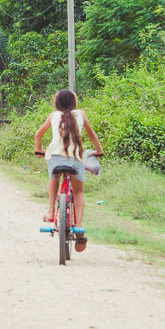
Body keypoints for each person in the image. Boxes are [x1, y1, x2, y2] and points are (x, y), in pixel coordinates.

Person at [34, 89, 103, 252]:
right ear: (74, 102)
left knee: (53, 180)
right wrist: (98, 150)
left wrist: (39, 150)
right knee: (78, 192)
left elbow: (38, 135)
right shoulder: (81, 114)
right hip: (75, 158)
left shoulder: (53, 116)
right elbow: (92, 134)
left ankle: (51, 212)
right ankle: (78, 226)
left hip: (54, 157)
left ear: (56, 103)